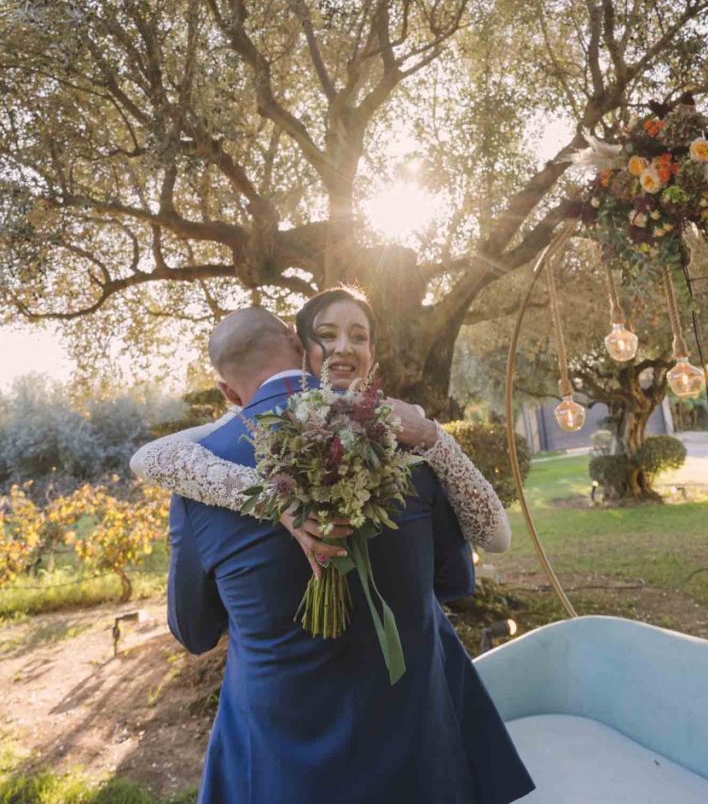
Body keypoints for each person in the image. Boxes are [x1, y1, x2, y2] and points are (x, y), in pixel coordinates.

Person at [159, 305, 535, 803]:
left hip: (281, 758)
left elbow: (194, 630)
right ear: (303, 350)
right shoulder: (404, 444)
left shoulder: (195, 477)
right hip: (417, 749)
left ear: (228, 393)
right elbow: (452, 582)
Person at [132, 287, 512, 567]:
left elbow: (496, 538)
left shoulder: (405, 423)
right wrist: (274, 500)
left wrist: (433, 437)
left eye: (359, 337)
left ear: (372, 354)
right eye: (327, 336)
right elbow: (149, 456)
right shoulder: (250, 425)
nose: (344, 347)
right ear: (301, 348)